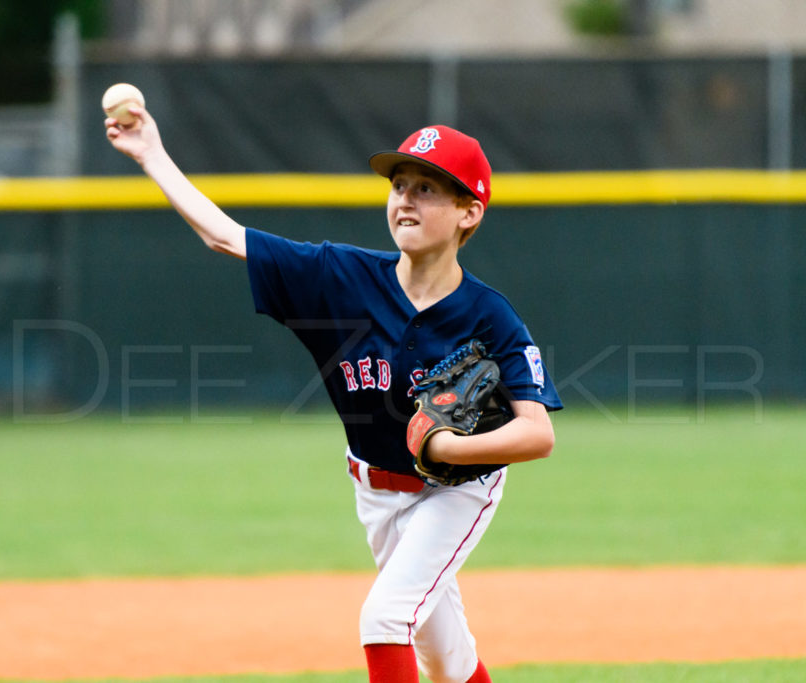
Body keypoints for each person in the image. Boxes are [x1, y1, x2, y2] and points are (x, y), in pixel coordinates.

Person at [105, 105, 562, 683]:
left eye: (427, 188)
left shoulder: (490, 316)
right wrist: (151, 154)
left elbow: (537, 433)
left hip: (458, 490)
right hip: (373, 491)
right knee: (447, 658)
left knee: (386, 618)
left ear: (469, 210)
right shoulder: (340, 278)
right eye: (399, 186)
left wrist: (444, 448)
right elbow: (224, 237)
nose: (405, 200)